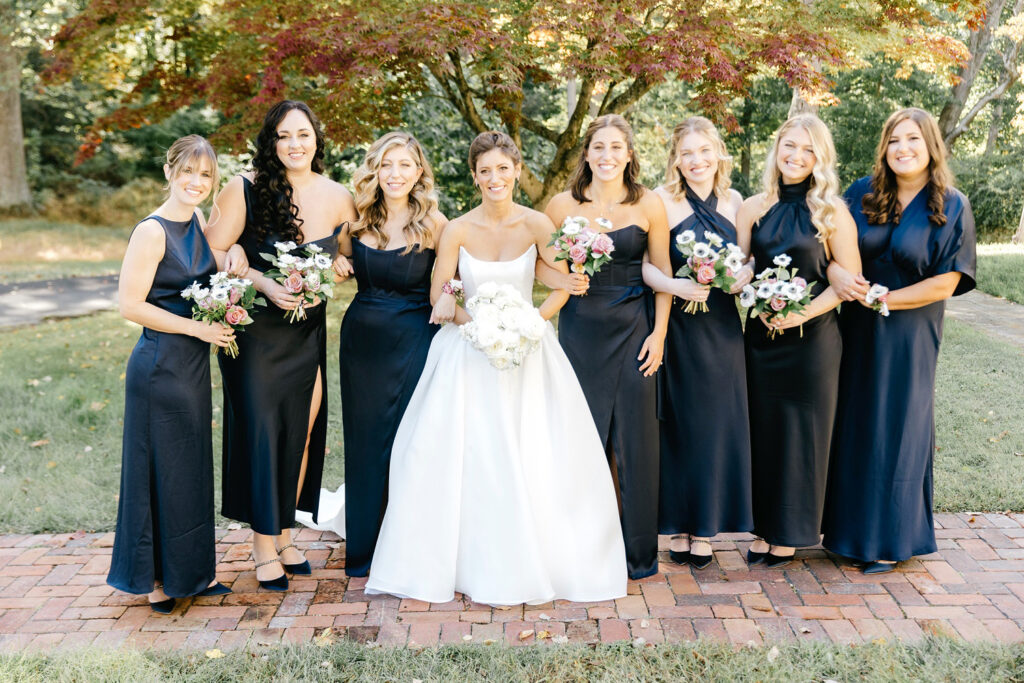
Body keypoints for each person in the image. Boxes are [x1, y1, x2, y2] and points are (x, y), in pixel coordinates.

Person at [364, 131, 627, 605]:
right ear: (474, 176)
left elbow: (560, 278)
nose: (494, 178)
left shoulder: (537, 224)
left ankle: (541, 554)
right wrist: (475, 326)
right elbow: (440, 291)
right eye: (484, 170)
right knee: (464, 452)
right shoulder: (458, 229)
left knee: (533, 450)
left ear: (517, 170)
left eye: (503, 169)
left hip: (529, 351)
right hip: (467, 350)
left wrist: (532, 323)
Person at [205, 101, 356, 590]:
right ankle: (262, 542)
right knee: (264, 432)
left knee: (304, 430)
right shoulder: (243, 188)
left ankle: (287, 531)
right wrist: (256, 276)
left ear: (317, 139)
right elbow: (210, 251)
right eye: (284, 135)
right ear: (271, 142)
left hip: (308, 331)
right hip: (256, 331)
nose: (295, 144)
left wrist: (338, 266)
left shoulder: (339, 196)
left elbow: (350, 255)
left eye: (304, 134)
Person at [822, 108, 976, 574]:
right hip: (852, 326)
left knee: (899, 425)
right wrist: (841, 277)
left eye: (912, 139)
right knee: (852, 421)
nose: (902, 149)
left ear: (931, 145)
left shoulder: (952, 205)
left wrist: (884, 298)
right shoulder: (859, 194)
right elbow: (827, 251)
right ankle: (847, 535)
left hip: (911, 332)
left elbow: (948, 280)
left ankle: (891, 539)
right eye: (893, 140)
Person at [295, 132, 447, 577]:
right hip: (362, 342)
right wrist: (336, 267)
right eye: (386, 165)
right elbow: (332, 266)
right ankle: (365, 547)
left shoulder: (437, 224)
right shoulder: (356, 222)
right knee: (364, 442)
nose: (395, 174)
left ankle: (410, 546)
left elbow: (452, 283)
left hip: (416, 339)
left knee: (409, 440)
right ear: (375, 171)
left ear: (419, 171)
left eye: (404, 165)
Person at [107, 135, 246, 612]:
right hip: (159, 367)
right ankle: (155, 583)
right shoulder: (152, 231)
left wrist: (236, 261)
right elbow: (130, 305)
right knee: (156, 472)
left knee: (188, 471)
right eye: (188, 171)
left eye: (206, 175)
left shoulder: (199, 224)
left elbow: (208, 273)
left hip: (190, 368)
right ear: (169, 172)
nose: (196, 181)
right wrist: (198, 329)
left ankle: (193, 574)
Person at [544, 114, 672, 580]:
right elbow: (539, 263)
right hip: (580, 332)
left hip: (635, 329)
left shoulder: (649, 205)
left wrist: (659, 334)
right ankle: (581, 551)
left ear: (630, 154)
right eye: (598, 147)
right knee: (581, 438)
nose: (607, 155)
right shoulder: (561, 206)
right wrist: (562, 278)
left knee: (635, 443)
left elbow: (658, 273)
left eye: (616, 147)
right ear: (587, 154)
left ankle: (636, 555)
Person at [736, 114, 861, 568]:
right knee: (764, 430)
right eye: (789, 145)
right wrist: (747, 287)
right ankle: (764, 528)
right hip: (760, 338)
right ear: (777, 148)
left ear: (820, 158)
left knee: (803, 436)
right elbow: (741, 266)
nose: (796, 156)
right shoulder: (753, 207)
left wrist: (795, 316)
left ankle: (791, 533)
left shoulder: (832, 211)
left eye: (808, 150)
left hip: (813, 342)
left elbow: (846, 283)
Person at [641, 117, 753, 570]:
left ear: (718, 154)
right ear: (676, 159)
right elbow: (647, 267)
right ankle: (679, 525)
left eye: (704, 151)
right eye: (687, 153)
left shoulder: (736, 201)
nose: (696, 161)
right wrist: (676, 284)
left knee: (714, 425)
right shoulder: (661, 202)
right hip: (677, 326)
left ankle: (705, 530)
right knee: (678, 424)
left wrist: (742, 275)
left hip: (722, 329)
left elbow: (747, 259)